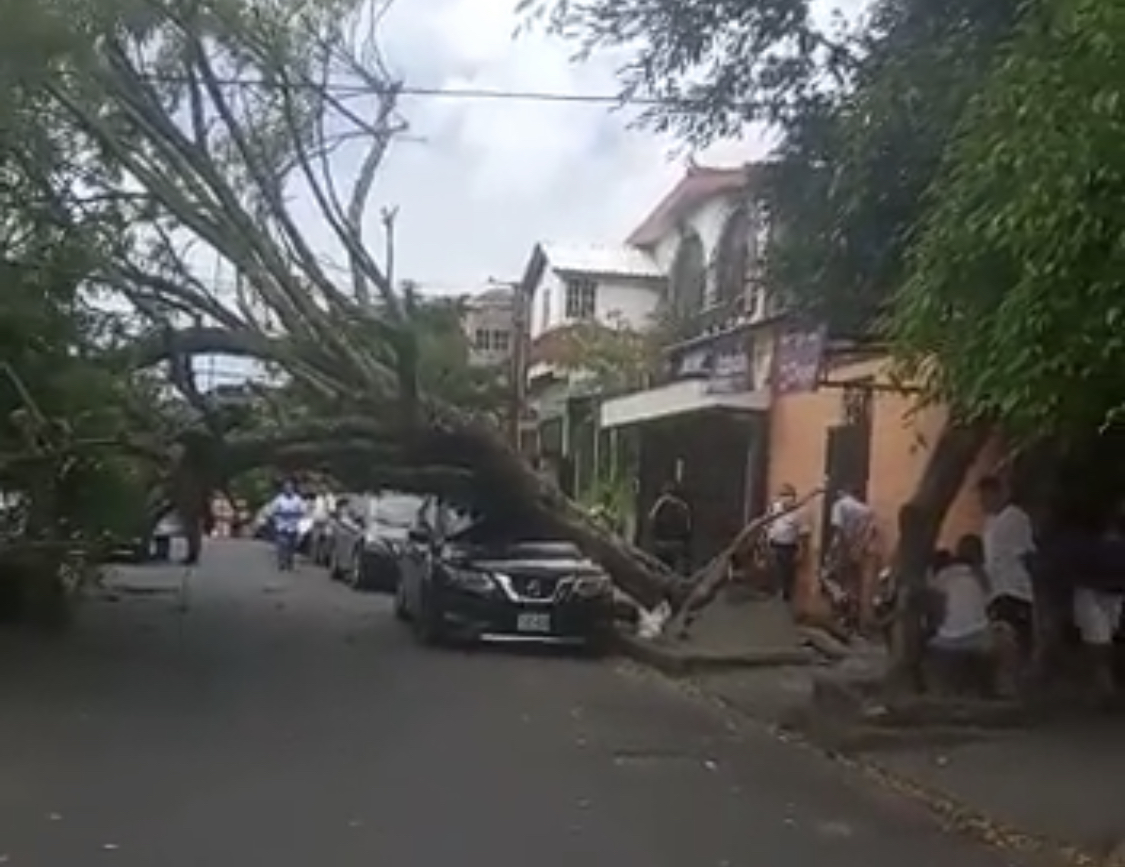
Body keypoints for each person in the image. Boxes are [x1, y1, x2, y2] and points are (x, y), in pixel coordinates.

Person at [927, 534, 1019, 696]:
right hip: (978, 640)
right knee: (1007, 634)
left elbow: (936, 613)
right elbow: (988, 606)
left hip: (946, 641)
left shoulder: (942, 575)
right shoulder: (981, 576)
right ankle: (1003, 687)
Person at [1072, 501, 1125, 699]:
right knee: (1100, 641)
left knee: (1102, 641)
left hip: (1107, 594)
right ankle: (1102, 682)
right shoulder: (1092, 544)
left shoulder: (1095, 545)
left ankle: (1103, 682)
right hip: (1094, 593)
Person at [978, 476, 1036, 656]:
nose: (983, 503)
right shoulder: (990, 523)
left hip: (1014, 591)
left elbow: (1025, 554)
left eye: (986, 497)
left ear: (999, 494)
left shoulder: (1015, 517)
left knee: (1016, 644)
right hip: (996, 592)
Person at [825, 484, 881, 631]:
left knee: (827, 576)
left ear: (842, 492)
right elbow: (871, 532)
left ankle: (841, 604)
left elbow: (839, 530)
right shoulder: (866, 510)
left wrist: (838, 549)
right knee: (853, 583)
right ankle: (852, 620)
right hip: (859, 551)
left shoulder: (840, 506)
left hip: (842, 548)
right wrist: (858, 548)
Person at [765, 484, 808, 602]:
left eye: (788, 495)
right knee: (773, 568)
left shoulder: (799, 512)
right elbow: (768, 523)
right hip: (773, 543)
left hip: (788, 547)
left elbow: (803, 533)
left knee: (786, 572)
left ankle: (786, 595)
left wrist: (802, 551)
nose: (785, 498)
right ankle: (773, 592)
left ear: (794, 497)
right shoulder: (775, 507)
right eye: (782, 495)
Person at [648, 481, 692, 575]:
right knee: (676, 572)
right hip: (678, 544)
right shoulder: (683, 506)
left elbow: (651, 519)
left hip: (662, 543)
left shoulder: (661, 503)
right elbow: (688, 527)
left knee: (660, 570)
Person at [267, 480, 307, 571]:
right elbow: (271, 511)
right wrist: (279, 514)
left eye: (290, 488)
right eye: (286, 488)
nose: (288, 489)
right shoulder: (279, 499)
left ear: (293, 489)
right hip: (282, 526)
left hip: (293, 526)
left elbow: (303, 511)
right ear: (283, 489)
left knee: (291, 546)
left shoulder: (298, 499)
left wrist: (296, 514)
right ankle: (281, 562)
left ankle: (290, 562)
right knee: (282, 544)